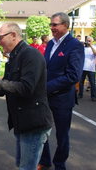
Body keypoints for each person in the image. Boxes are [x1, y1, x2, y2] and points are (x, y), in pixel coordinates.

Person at [0, 22, 53, 170]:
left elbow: (26, 88)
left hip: (33, 123)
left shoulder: (31, 54)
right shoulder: (14, 57)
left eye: (0, 38)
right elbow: (6, 86)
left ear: (13, 36)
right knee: (21, 164)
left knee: (26, 167)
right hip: (22, 122)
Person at [38, 12, 84, 170]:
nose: (51, 27)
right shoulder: (51, 43)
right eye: (51, 24)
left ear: (66, 26)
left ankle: (60, 164)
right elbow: (47, 68)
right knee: (41, 129)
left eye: (55, 24)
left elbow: (73, 75)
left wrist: (47, 87)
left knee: (62, 136)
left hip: (62, 99)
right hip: (45, 96)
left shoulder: (75, 45)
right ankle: (44, 160)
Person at [78, 36, 96, 101]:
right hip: (83, 68)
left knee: (92, 83)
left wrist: (91, 46)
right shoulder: (83, 48)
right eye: (87, 41)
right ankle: (80, 94)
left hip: (91, 68)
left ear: (92, 42)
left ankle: (93, 96)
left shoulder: (94, 48)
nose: (88, 42)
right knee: (81, 82)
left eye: (90, 41)